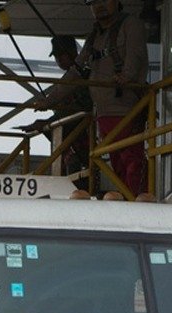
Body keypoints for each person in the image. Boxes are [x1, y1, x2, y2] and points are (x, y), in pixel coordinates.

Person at [34, 0, 149, 197]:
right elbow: (75, 72)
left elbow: (136, 57)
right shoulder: (95, 36)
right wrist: (50, 100)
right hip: (104, 112)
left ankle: (136, 202)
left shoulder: (130, 25)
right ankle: (128, 200)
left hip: (125, 107)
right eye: (94, 2)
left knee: (131, 161)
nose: (99, 6)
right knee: (120, 163)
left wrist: (127, 77)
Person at [29, 35, 92, 185]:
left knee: (80, 180)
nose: (58, 60)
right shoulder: (70, 78)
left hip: (84, 138)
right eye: (56, 56)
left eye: (60, 55)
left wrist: (47, 122)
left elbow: (76, 109)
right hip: (73, 145)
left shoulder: (83, 75)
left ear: (72, 52)